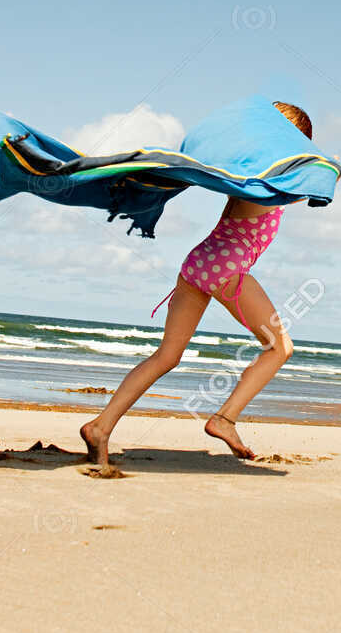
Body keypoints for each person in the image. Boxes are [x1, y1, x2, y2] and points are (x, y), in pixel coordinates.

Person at [79, 102, 313, 468]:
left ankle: (100, 426)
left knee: (166, 356)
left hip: (198, 263)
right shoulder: (269, 186)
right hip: (226, 268)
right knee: (279, 346)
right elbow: (303, 191)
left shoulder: (250, 179)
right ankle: (224, 419)